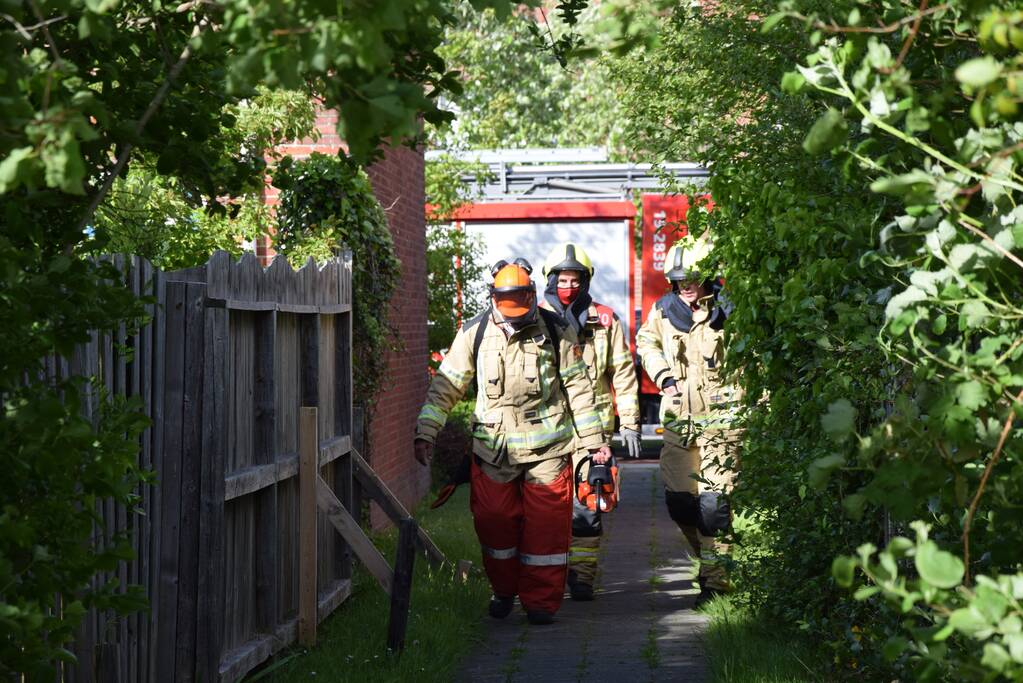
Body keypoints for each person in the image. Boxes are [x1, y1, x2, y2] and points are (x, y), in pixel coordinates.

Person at [414, 258, 611, 625]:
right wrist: (427, 431)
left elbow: (579, 389)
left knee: (545, 533)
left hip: (548, 453)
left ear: (533, 297)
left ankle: (540, 603)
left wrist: (594, 443)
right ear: (493, 299)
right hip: (494, 454)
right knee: (494, 523)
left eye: (522, 310)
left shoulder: (555, 331)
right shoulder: (473, 334)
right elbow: (446, 386)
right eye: (508, 311)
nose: (515, 318)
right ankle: (504, 591)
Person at [636, 234, 742, 607]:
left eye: (692, 279)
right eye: (679, 281)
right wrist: (664, 375)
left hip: (721, 425)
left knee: (713, 506)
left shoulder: (730, 310)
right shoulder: (664, 310)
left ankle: (715, 583)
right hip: (681, 423)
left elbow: (752, 359)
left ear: (709, 277)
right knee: (680, 504)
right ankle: (714, 561)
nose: (686, 288)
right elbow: (645, 342)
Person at [538, 243, 640, 602]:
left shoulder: (605, 321)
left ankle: (582, 578)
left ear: (586, 281)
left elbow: (624, 374)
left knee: (589, 502)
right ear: (550, 281)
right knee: (546, 507)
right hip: (545, 431)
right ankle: (547, 575)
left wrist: (628, 421)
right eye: (562, 279)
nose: (568, 286)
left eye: (575, 280)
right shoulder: (536, 319)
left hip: (592, 432)